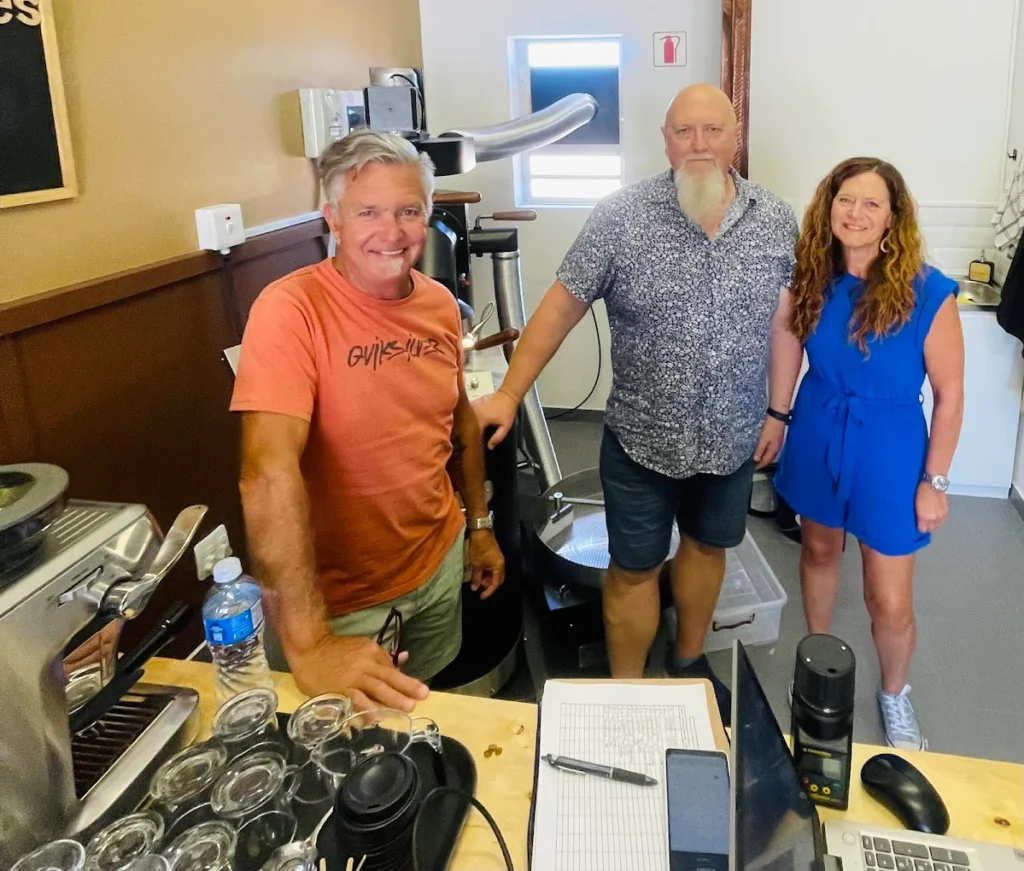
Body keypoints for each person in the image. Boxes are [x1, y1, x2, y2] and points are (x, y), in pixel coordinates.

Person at [473, 83, 802, 722]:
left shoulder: (774, 219)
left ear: (735, 138)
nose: (699, 144)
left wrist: (778, 411)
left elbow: (784, 323)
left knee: (708, 548)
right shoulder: (621, 217)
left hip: (733, 435)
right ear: (666, 140)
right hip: (642, 439)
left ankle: (687, 661)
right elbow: (560, 309)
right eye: (685, 131)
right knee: (633, 569)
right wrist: (509, 393)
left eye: (713, 130)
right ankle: (627, 693)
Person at [231, 129, 505, 713]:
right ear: (332, 217)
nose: (392, 231)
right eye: (368, 212)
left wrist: (478, 527)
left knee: (424, 715)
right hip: (340, 607)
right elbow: (266, 474)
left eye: (408, 211)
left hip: (438, 565)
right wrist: (311, 644)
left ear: (428, 214)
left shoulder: (438, 304)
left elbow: (458, 424)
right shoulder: (289, 310)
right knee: (345, 748)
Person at [774, 157, 965, 750]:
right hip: (819, 427)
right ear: (828, 207)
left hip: (890, 447)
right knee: (818, 549)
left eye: (871, 203)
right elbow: (787, 344)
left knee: (888, 597)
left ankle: (894, 693)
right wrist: (777, 417)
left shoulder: (928, 291)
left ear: (892, 218)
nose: (855, 213)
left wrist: (935, 481)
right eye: (845, 199)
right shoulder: (812, 276)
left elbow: (951, 394)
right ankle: (818, 664)